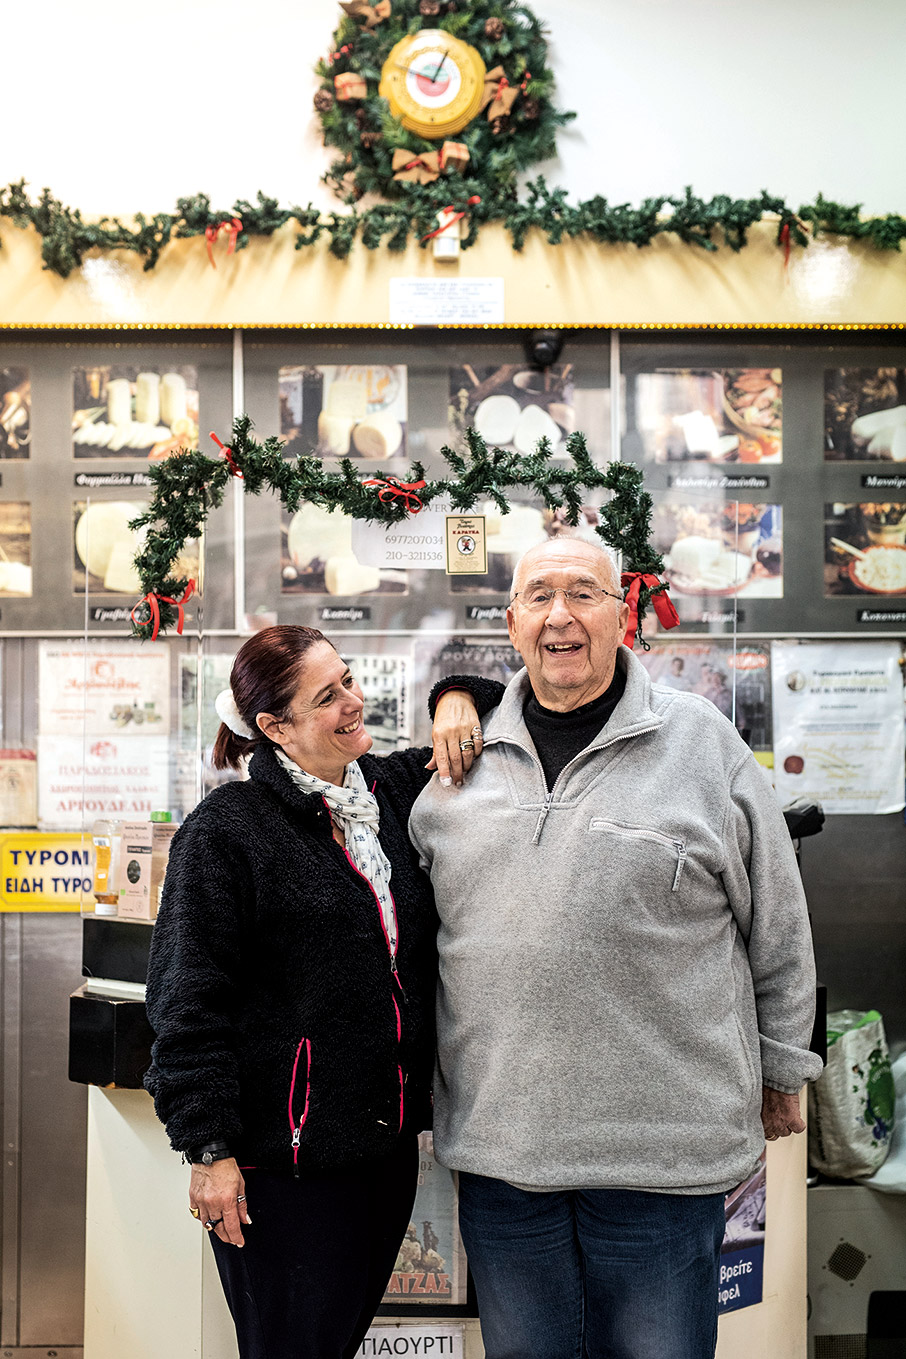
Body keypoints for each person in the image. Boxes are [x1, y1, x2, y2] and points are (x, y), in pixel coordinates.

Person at [409, 538, 823, 1359]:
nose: (560, 615)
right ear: (512, 624)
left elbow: (777, 916)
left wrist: (783, 1065)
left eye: (583, 593)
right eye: (539, 596)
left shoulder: (700, 742)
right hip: (504, 1154)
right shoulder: (456, 765)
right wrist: (454, 695)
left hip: (662, 1158)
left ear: (623, 615)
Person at [144, 625, 502, 1359]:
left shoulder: (389, 791)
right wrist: (208, 1149)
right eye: (327, 696)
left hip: (383, 1153)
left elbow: (506, 706)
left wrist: (454, 697)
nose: (353, 701)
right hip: (284, 1168)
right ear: (275, 727)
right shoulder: (226, 831)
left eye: (348, 679)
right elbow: (186, 1003)